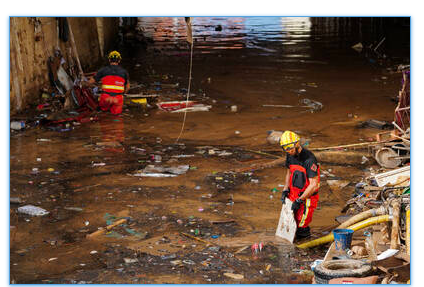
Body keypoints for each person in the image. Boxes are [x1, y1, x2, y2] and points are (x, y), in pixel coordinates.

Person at [280, 130, 320, 239]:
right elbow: (289, 172)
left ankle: (305, 244)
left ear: (297, 144)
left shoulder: (309, 160)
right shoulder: (289, 155)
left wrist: (300, 200)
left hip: (307, 197)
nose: (288, 151)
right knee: (292, 222)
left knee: (302, 225)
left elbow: (313, 185)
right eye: (285, 149)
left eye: (290, 148)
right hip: (294, 193)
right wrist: (285, 189)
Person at [88, 51, 130, 115]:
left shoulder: (103, 70)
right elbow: (127, 87)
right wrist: (122, 94)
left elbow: (91, 82)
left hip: (105, 98)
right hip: (117, 99)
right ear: (119, 61)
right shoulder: (124, 72)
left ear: (109, 60)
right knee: (116, 116)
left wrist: (86, 84)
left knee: (103, 114)